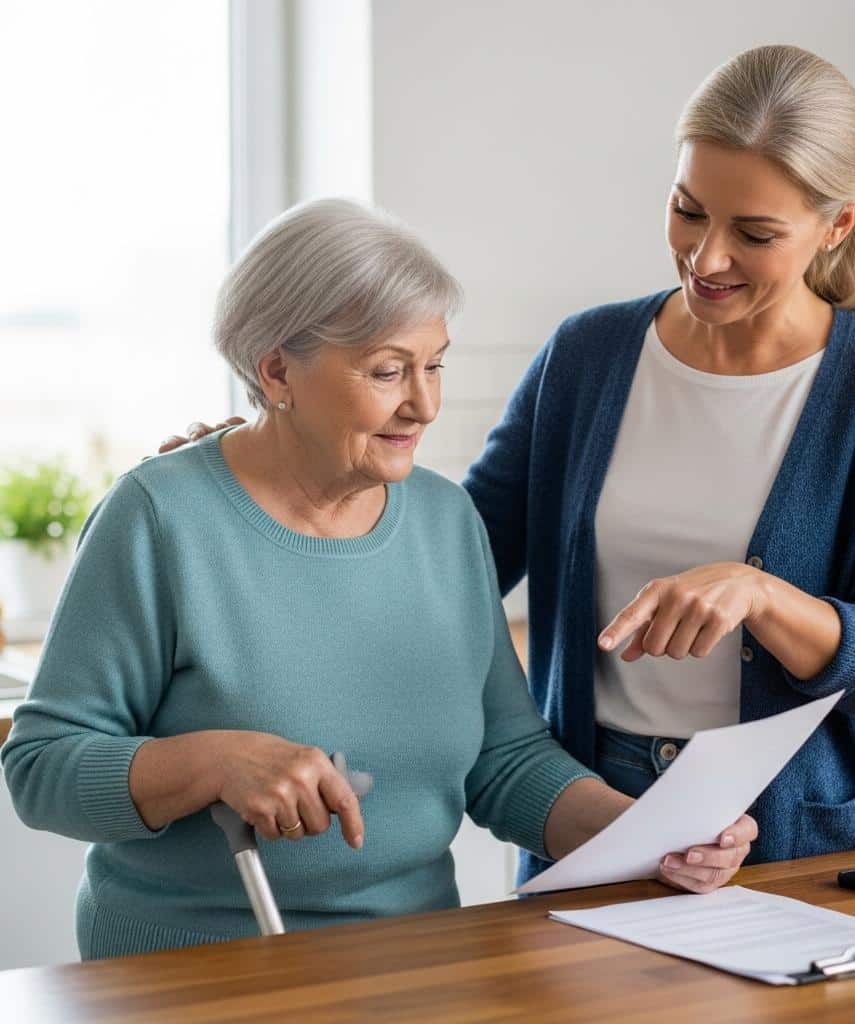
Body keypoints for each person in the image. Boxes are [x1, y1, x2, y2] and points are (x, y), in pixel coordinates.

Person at [162, 44, 855, 888]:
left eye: (755, 233)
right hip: (593, 810)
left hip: (805, 835)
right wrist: (266, 475)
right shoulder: (589, 356)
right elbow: (450, 557)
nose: (707, 257)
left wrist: (760, 594)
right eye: (688, 211)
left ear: (836, 225)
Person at [1, 199, 756, 960]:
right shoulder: (159, 518)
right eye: (388, 370)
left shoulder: (445, 520)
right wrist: (212, 761)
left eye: (434, 365)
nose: (424, 403)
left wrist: (650, 833)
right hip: (196, 969)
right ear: (276, 370)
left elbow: (505, 759)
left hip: (417, 966)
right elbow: (41, 767)